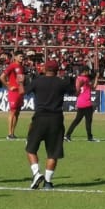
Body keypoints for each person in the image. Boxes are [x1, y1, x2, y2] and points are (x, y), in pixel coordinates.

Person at [25, 60, 67, 190]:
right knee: (53, 152)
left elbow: (24, 92)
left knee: (30, 148)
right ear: (57, 69)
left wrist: (20, 82)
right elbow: (75, 91)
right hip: (56, 119)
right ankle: (48, 182)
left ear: (44, 68)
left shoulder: (37, 81)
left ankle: (36, 173)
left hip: (40, 118)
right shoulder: (62, 83)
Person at [65, 66, 96, 142]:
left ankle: (67, 135)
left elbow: (79, 89)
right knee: (88, 121)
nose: (89, 72)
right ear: (85, 71)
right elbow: (93, 87)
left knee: (76, 121)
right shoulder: (85, 79)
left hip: (80, 103)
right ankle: (90, 137)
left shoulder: (79, 78)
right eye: (88, 71)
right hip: (87, 103)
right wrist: (96, 78)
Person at [1, 52, 25, 140]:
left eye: (22, 56)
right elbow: (2, 77)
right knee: (13, 111)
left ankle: (13, 133)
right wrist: (9, 86)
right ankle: (9, 133)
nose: (22, 58)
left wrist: (22, 90)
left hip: (19, 92)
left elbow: (20, 80)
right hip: (14, 92)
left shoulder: (21, 67)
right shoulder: (12, 66)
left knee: (17, 112)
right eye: (20, 56)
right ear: (15, 57)